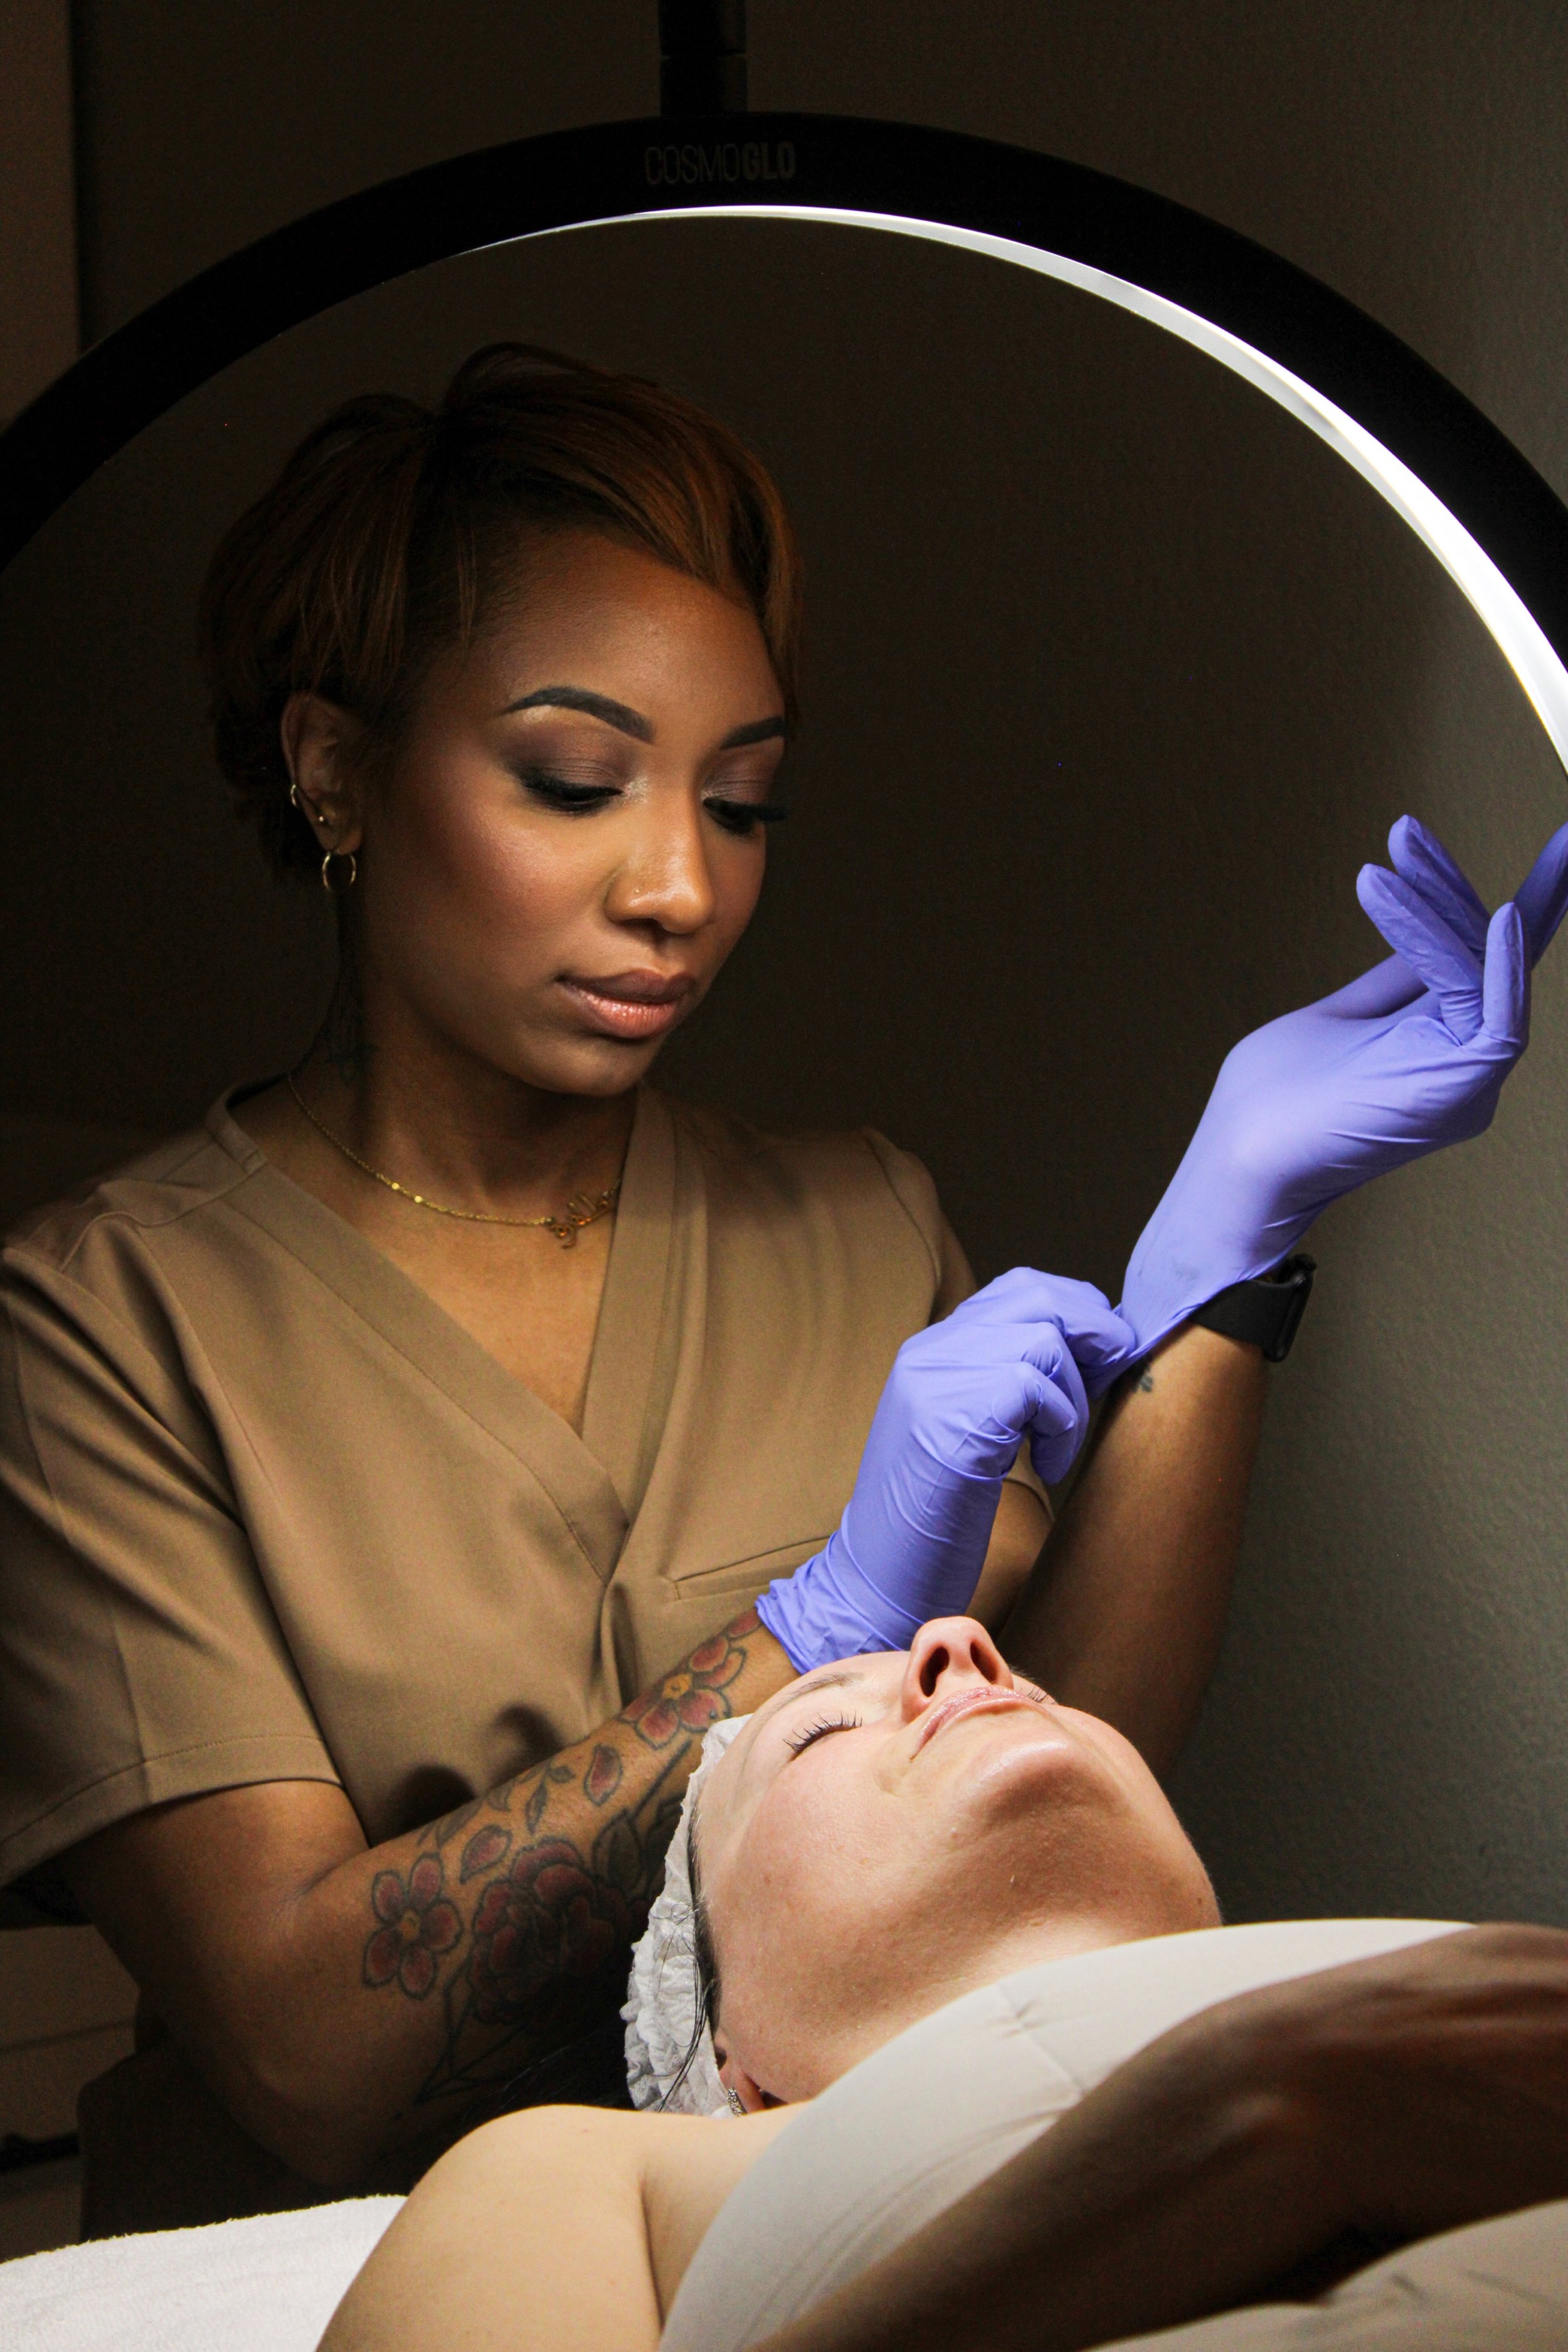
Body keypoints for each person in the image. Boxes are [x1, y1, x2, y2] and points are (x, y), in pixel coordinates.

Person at [0, 337, 1562, 2230]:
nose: (678, 884)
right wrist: (812, 1620)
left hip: (819, 2247)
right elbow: (310, 2060)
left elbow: (1053, 1810)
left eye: (740, 804)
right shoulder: (97, 1327)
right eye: (574, 780)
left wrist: (1214, 1262)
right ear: (335, 770)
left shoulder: (850, 1223)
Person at [319, 1619, 1568, 2352]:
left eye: (1040, 1689)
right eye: (818, 1729)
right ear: (725, 2056)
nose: (959, 1646)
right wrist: (1249, 2129)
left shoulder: (1451, 1983)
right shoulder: (593, 2175)